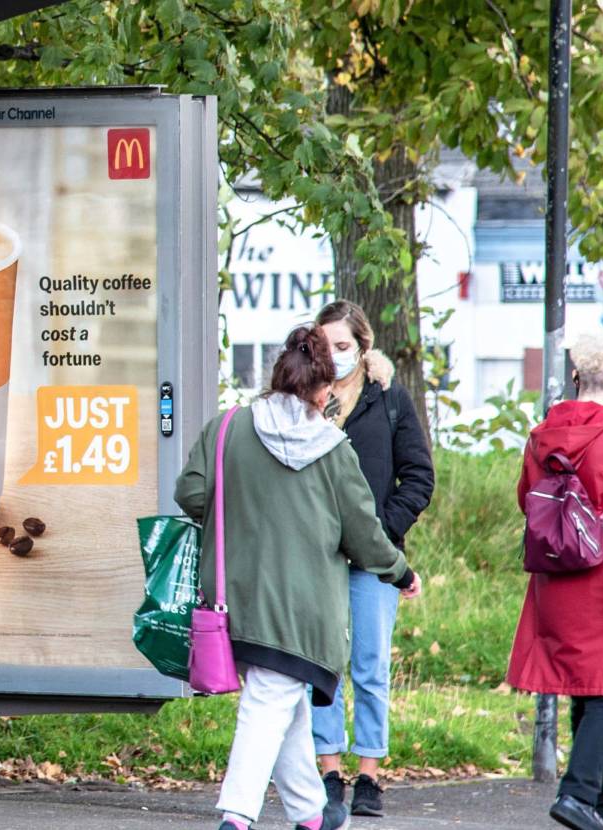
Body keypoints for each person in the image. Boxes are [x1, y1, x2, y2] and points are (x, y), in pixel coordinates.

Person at [175, 325, 421, 830]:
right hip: (303, 612)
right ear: (323, 390)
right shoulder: (333, 449)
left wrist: (243, 512)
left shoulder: (227, 429)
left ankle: (312, 814)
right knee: (269, 704)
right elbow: (365, 534)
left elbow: (192, 494)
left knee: (283, 704)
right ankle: (236, 817)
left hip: (234, 598)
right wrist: (400, 572)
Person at [510, 333, 603, 830]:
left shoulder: (540, 434)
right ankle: (577, 794)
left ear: (574, 377)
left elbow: (527, 498)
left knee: (590, 689)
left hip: (555, 581)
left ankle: (602, 812)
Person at [312, 300, 435, 816]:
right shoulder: (305, 398)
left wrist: (381, 533)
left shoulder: (389, 398)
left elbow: (419, 476)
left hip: (375, 558)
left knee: (369, 664)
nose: (334, 356)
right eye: (325, 347)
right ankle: (328, 770)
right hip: (315, 555)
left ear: (363, 347)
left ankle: (369, 774)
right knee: (322, 663)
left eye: (343, 347)